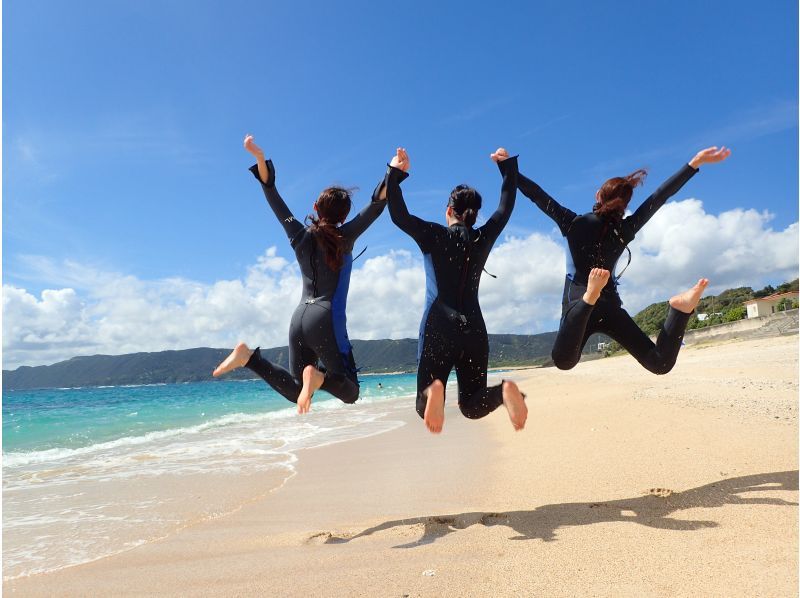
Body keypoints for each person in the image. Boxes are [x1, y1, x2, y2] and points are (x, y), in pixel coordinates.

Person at [213, 134, 395, 413]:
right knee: (351, 391)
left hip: (299, 318)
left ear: (315, 208)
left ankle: (249, 358)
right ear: (344, 216)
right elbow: (376, 205)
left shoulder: (298, 234)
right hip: (326, 317)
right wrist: (393, 171)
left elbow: (274, 197)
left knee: (297, 389)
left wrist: (259, 158)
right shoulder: (345, 236)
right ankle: (317, 378)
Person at [516, 146, 731, 373]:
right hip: (609, 306)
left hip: (579, 304)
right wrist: (694, 163)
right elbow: (660, 196)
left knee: (564, 360)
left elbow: (537, 195)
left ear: (598, 195)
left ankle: (589, 296)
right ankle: (680, 311)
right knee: (660, 363)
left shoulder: (572, 222)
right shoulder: (625, 229)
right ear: (624, 204)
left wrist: (507, 167)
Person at [385, 147, 527, 434]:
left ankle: (435, 392)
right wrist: (507, 169)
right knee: (473, 404)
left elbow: (399, 215)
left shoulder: (433, 235)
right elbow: (505, 208)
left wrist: (394, 174)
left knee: (422, 406)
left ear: (449, 211)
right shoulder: (483, 237)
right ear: (473, 214)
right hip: (474, 328)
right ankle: (503, 393)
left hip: (439, 325)